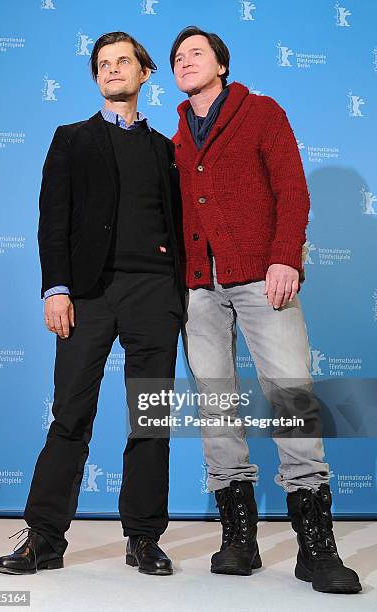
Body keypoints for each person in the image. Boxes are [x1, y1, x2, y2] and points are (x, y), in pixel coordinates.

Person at [170, 25, 361, 594]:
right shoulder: (176, 136)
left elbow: (292, 189)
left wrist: (285, 257)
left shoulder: (262, 112)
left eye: (196, 53)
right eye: (178, 57)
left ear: (222, 65)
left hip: (263, 278)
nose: (185, 61)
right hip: (198, 288)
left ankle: (316, 550)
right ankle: (239, 538)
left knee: (290, 396)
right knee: (216, 404)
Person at [0, 31, 185, 576]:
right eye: (103, 64)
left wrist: (179, 294)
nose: (112, 69)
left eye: (123, 61)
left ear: (145, 73)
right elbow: (52, 221)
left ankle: (144, 538)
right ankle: (45, 539)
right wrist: (56, 288)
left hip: (154, 295)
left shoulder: (166, 150)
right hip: (88, 294)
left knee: (150, 418)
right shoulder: (70, 139)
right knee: (71, 414)